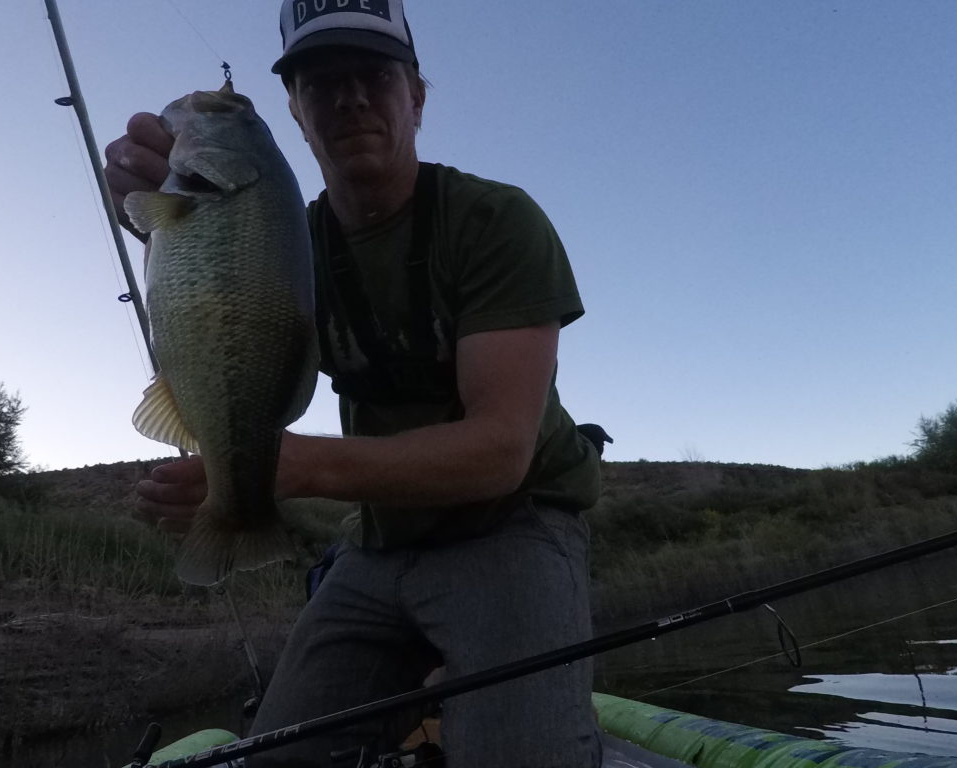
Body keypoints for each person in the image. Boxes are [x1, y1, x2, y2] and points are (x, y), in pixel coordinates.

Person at [106, 2, 602, 765]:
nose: (351, 97)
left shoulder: (495, 221)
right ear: (297, 113)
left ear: (418, 97)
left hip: (515, 524)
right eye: (321, 81)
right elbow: (213, 291)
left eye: (375, 74)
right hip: (378, 537)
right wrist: (156, 218)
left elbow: (499, 451)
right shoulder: (283, 239)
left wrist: (277, 469)